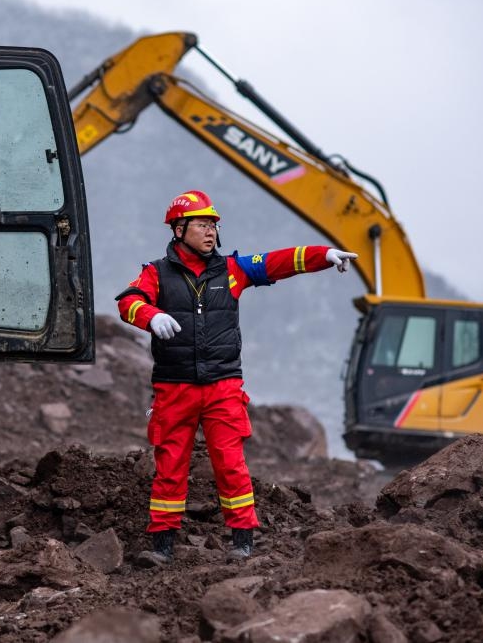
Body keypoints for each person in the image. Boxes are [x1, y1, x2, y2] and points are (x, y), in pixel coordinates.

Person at [114, 190, 358, 566]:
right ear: (179, 229)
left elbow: (279, 262)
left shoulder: (232, 270)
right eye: (201, 224)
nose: (211, 231)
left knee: (231, 464)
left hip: (223, 386)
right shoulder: (156, 273)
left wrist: (323, 256)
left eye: (213, 224)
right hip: (174, 387)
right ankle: (162, 545)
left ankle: (242, 540)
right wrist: (150, 316)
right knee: (170, 465)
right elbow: (127, 302)